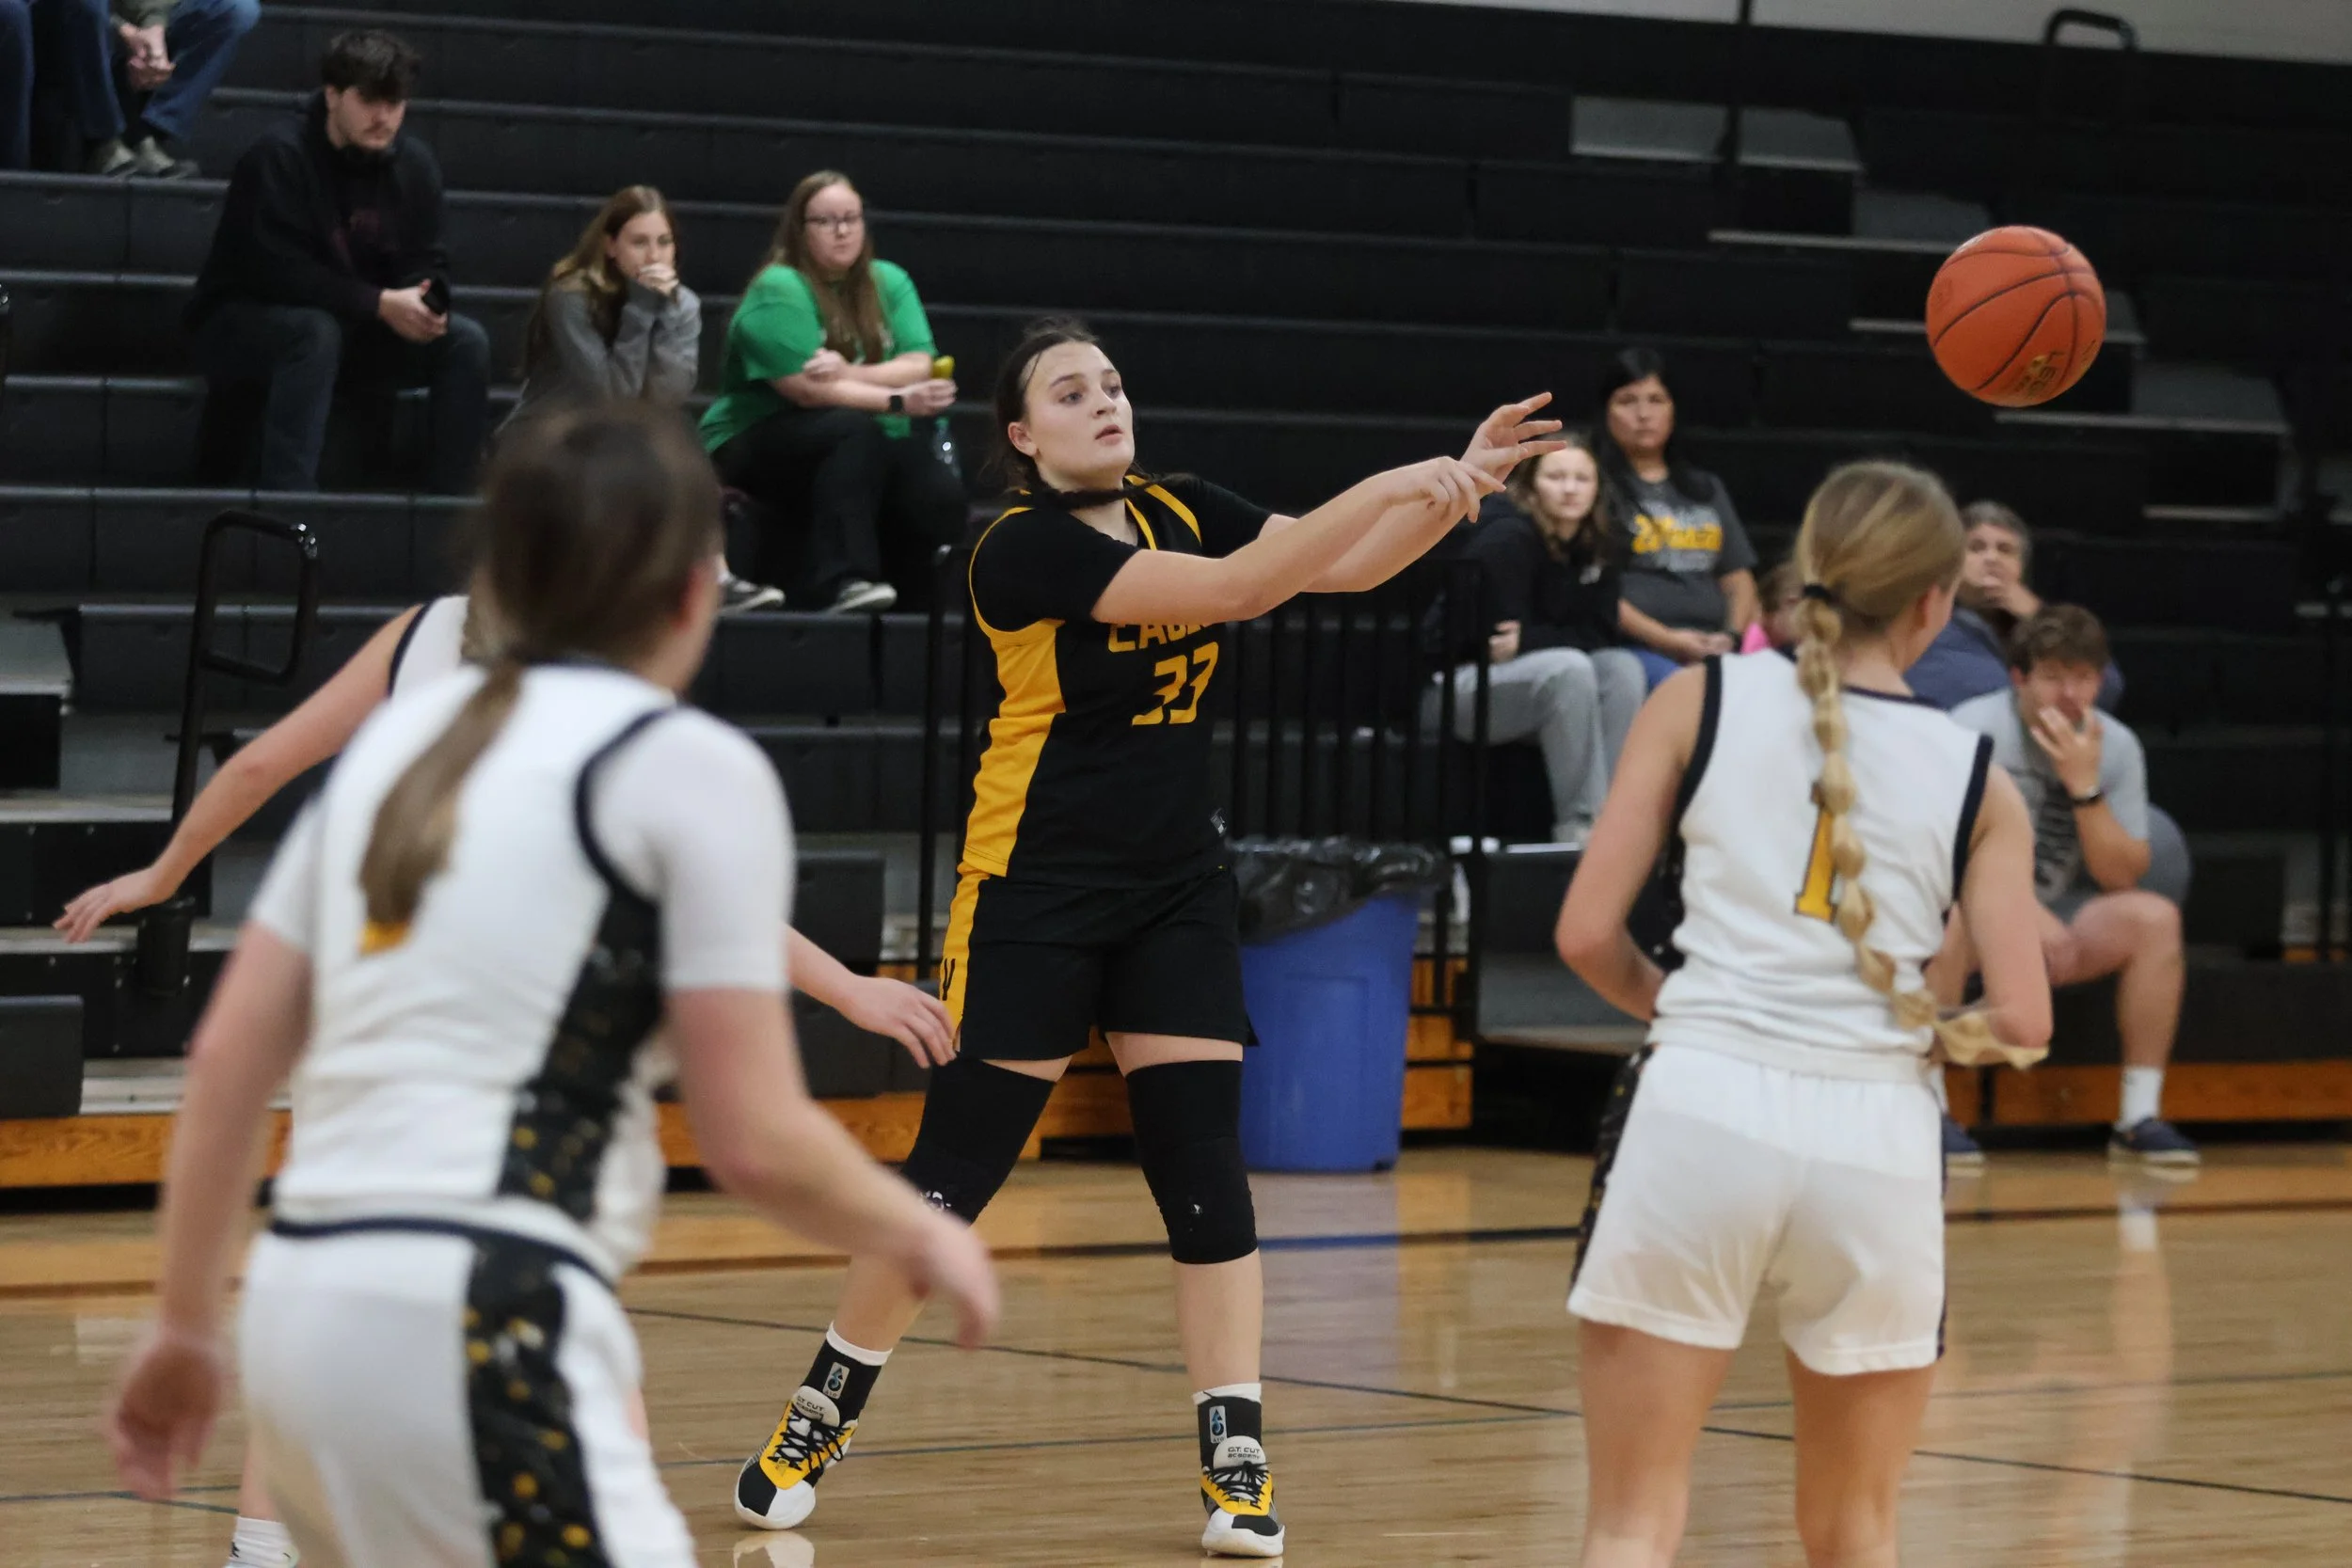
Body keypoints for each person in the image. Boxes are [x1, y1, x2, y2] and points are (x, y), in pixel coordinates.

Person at [101, 404, 998, 1568]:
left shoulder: (391, 755)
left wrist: (181, 1326)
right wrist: (918, 1233)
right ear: (692, 593)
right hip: (487, 1299)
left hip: (304, 1303)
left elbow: (225, 1065)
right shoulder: (684, 764)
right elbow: (754, 1137)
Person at [728, 317, 1560, 1558]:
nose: (1105, 400)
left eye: (1112, 382)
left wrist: (1461, 485)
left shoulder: (1179, 505)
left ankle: (1236, 1452)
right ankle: (821, 1406)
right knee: (951, 1182)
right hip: (1034, 888)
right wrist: (1398, 476)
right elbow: (1244, 591)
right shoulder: (1011, 547)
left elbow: (1341, 571)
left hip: (1173, 885)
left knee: (1204, 1171)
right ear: (1022, 434)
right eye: (1072, 390)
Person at [1552, 459, 2050, 1568]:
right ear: (1936, 601)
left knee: (1631, 1523)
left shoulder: (1700, 695)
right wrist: (1915, 1028)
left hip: (1699, 1103)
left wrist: (1677, 1006)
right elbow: (2022, 1019)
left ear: (1805, 571)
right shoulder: (1981, 773)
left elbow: (1585, 933)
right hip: (1877, 1136)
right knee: (1854, 1533)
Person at [1944, 605, 2200, 1168]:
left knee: (2154, 919)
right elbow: (1943, 850)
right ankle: (1932, 1110)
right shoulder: (1973, 727)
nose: (2070, 693)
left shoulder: (2118, 747)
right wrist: (2018, 910)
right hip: (1971, 904)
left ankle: (2138, 1117)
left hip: (2061, 910)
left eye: (2083, 678)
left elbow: (2121, 875)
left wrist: (2084, 789)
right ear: (2020, 678)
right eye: (2054, 676)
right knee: (1951, 917)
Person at [184, 28, 491, 495]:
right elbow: (275, 273)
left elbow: (425, 256)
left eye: (396, 103)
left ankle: (453, 506)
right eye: (370, 100)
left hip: (354, 320)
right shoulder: (279, 156)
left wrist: (423, 297)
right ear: (332, 95)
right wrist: (379, 303)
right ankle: (288, 504)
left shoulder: (414, 165)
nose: (384, 117)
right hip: (242, 322)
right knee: (313, 332)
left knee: (465, 341)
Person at [700, 170, 965, 614]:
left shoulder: (888, 281)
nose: (842, 231)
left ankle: (918, 613)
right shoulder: (779, 287)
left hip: (854, 430)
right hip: (753, 436)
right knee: (853, 432)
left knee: (936, 493)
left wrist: (846, 370)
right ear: (799, 231)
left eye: (851, 218)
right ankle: (843, 580)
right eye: (825, 221)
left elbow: (919, 362)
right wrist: (897, 398)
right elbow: (806, 390)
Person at [1426, 431, 1646, 845]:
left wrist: (1532, 639)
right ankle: (1581, 833)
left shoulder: (1600, 540)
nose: (1569, 490)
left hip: (1544, 686)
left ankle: (1617, 825)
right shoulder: (1508, 537)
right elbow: (1497, 645)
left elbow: (1600, 633)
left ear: (1598, 488)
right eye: (1556, 477)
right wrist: (1544, 639)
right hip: (1462, 690)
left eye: (1582, 479)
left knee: (1623, 669)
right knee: (1570, 668)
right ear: (1530, 484)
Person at [1595, 347, 1760, 689]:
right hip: (1633, 647)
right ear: (1606, 413)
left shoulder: (1705, 487)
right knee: (1687, 690)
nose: (1644, 414)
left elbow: (1738, 579)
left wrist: (1730, 636)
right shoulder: (1593, 486)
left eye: (1656, 400)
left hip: (1715, 646)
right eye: (1627, 401)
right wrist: (1670, 640)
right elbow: (1595, 590)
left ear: (1673, 410)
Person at [1905, 499, 2122, 712]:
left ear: (2022, 568)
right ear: (1950, 562)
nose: (1992, 558)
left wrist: (2039, 615)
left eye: (2005, 549)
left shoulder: (2042, 622)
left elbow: (2107, 689)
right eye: (1976, 548)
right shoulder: (1922, 621)